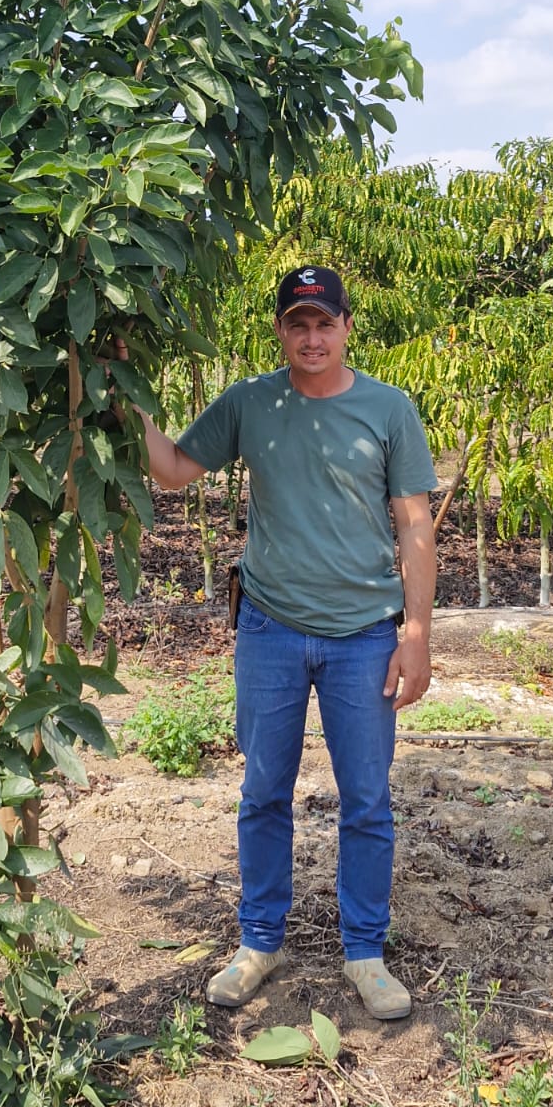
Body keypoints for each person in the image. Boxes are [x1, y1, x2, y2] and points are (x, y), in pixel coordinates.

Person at [126, 265, 437, 1019]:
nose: (311, 337)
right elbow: (170, 472)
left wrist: (417, 633)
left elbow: (415, 525)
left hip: (364, 635)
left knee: (366, 800)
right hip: (268, 629)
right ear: (279, 330)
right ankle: (259, 941)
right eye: (297, 323)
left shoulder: (388, 409)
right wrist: (123, 393)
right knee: (263, 792)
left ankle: (365, 952)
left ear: (346, 327)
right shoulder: (250, 403)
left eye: (324, 323)